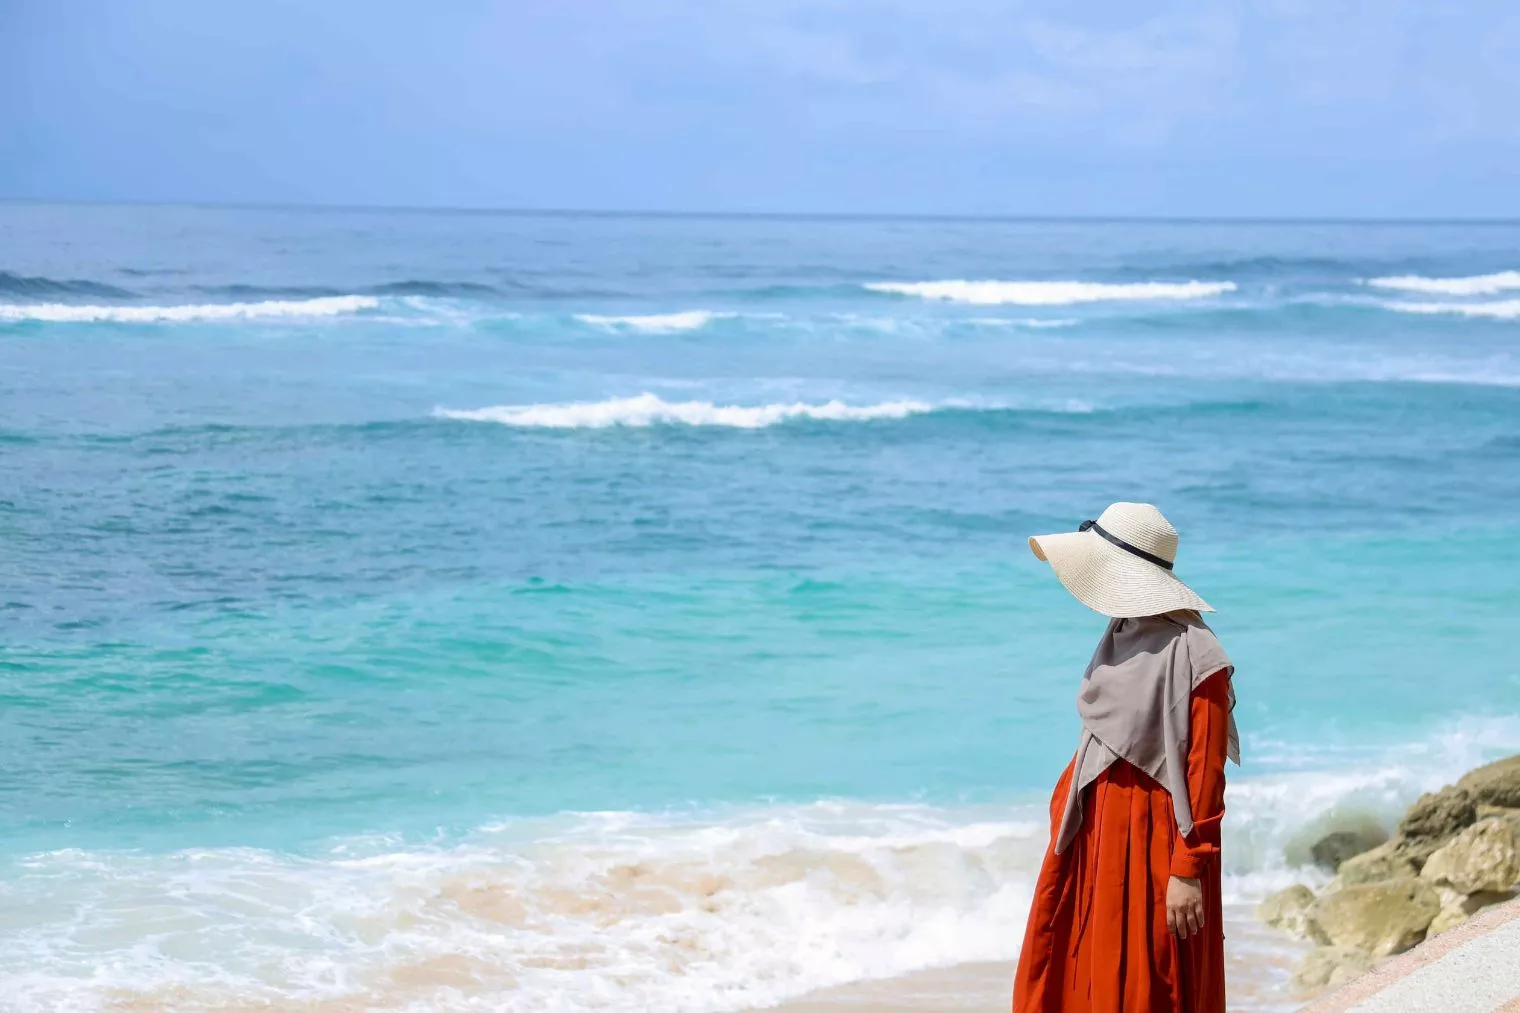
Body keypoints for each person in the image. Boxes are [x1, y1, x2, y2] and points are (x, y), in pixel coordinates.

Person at [1012, 503, 1238, 1013]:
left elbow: (1205, 772)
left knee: (1153, 978)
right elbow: (1102, 738)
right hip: (1099, 828)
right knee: (1084, 963)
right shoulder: (1121, 631)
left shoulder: (1197, 653)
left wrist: (1187, 870)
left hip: (1158, 836)